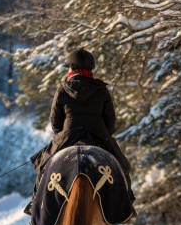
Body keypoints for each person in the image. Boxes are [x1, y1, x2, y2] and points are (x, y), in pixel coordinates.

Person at [24, 48, 134, 215]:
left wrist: (64, 135)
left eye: (68, 66)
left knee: (44, 165)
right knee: (121, 166)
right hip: (98, 136)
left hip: (68, 136)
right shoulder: (102, 89)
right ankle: (127, 202)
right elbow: (110, 123)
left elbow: (55, 124)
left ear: (72, 68)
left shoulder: (63, 89)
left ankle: (35, 202)